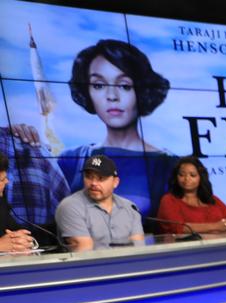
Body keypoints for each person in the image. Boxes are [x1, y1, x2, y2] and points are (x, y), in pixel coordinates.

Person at [58, 39, 177, 220]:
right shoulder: (70, 160)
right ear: (87, 92)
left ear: (142, 90)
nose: (112, 96)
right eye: (99, 85)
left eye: (124, 86)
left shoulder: (168, 165)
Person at [54, 154, 143, 251]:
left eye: (101, 178)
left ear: (115, 182)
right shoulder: (70, 207)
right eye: (89, 177)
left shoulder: (130, 207)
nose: (93, 183)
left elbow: (138, 248)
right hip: (90, 265)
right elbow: (84, 251)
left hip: (129, 264)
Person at [154, 156, 226, 237]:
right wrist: (217, 226)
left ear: (201, 177)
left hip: (221, 247)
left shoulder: (212, 199)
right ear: (176, 177)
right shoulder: (169, 200)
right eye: (181, 175)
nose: (186, 179)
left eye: (192, 175)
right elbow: (179, 228)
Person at [0, 125, 70, 228]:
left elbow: (69, 217)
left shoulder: (31, 149)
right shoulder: (32, 150)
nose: (7, 182)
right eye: (2, 180)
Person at [0, 152, 38, 254]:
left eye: (5, 178)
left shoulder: (2, 204)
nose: (7, 182)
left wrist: (23, 241)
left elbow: (15, 232)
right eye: (1, 180)